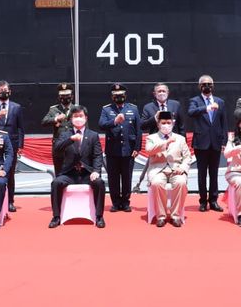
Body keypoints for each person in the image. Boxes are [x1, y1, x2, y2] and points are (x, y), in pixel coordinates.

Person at [49, 105, 106, 229]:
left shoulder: (93, 135)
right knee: (56, 183)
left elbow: (97, 155)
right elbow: (57, 148)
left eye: (81, 116)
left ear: (86, 118)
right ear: (70, 119)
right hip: (69, 173)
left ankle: (99, 216)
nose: (78, 119)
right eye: (75, 116)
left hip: (87, 173)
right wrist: (70, 139)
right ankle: (56, 217)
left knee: (100, 182)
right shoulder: (65, 134)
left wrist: (96, 171)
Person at [188, 74, 228, 212]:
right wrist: (207, 108)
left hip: (216, 142)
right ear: (200, 86)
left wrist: (224, 141)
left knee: (214, 173)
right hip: (201, 142)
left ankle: (214, 200)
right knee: (202, 174)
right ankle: (203, 201)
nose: (207, 86)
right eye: (204, 84)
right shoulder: (195, 101)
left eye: (209, 84)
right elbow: (191, 112)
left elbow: (224, 123)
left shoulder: (220, 101)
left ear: (213, 86)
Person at [99, 83, 142, 212]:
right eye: (116, 96)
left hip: (129, 150)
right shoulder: (106, 110)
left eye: (121, 95)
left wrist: (137, 148)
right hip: (113, 150)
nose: (119, 97)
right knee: (113, 178)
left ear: (125, 96)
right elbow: (101, 124)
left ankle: (126, 202)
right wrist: (114, 122)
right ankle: (116, 202)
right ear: (112, 97)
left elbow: (138, 130)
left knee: (127, 177)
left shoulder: (133, 109)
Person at [145, 111, 191, 227]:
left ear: (173, 124)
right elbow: (149, 150)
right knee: (156, 183)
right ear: (158, 124)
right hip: (158, 169)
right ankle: (161, 215)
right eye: (163, 123)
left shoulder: (180, 138)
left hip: (176, 169)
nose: (166, 125)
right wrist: (165, 143)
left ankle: (176, 215)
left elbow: (187, 157)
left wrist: (182, 168)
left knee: (181, 183)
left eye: (168, 123)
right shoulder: (151, 138)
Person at [0, 80, 24, 213]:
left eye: (6, 90)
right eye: (1, 90)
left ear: (10, 91)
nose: (4, 92)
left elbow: (20, 128)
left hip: (12, 143)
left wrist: (20, 145)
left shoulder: (16, 107)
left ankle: (10, 201)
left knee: (10, 173)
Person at [41, 82, 75, 174]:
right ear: (59, 97)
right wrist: (56, 119)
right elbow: (44, 122)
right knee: (59, 174)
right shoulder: (54, 109)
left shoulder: (77, 109)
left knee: (74, 173)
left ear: (72, 96)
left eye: (67, 95)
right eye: (62, 95)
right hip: (59, 148)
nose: (65, 98)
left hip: (73, 146)